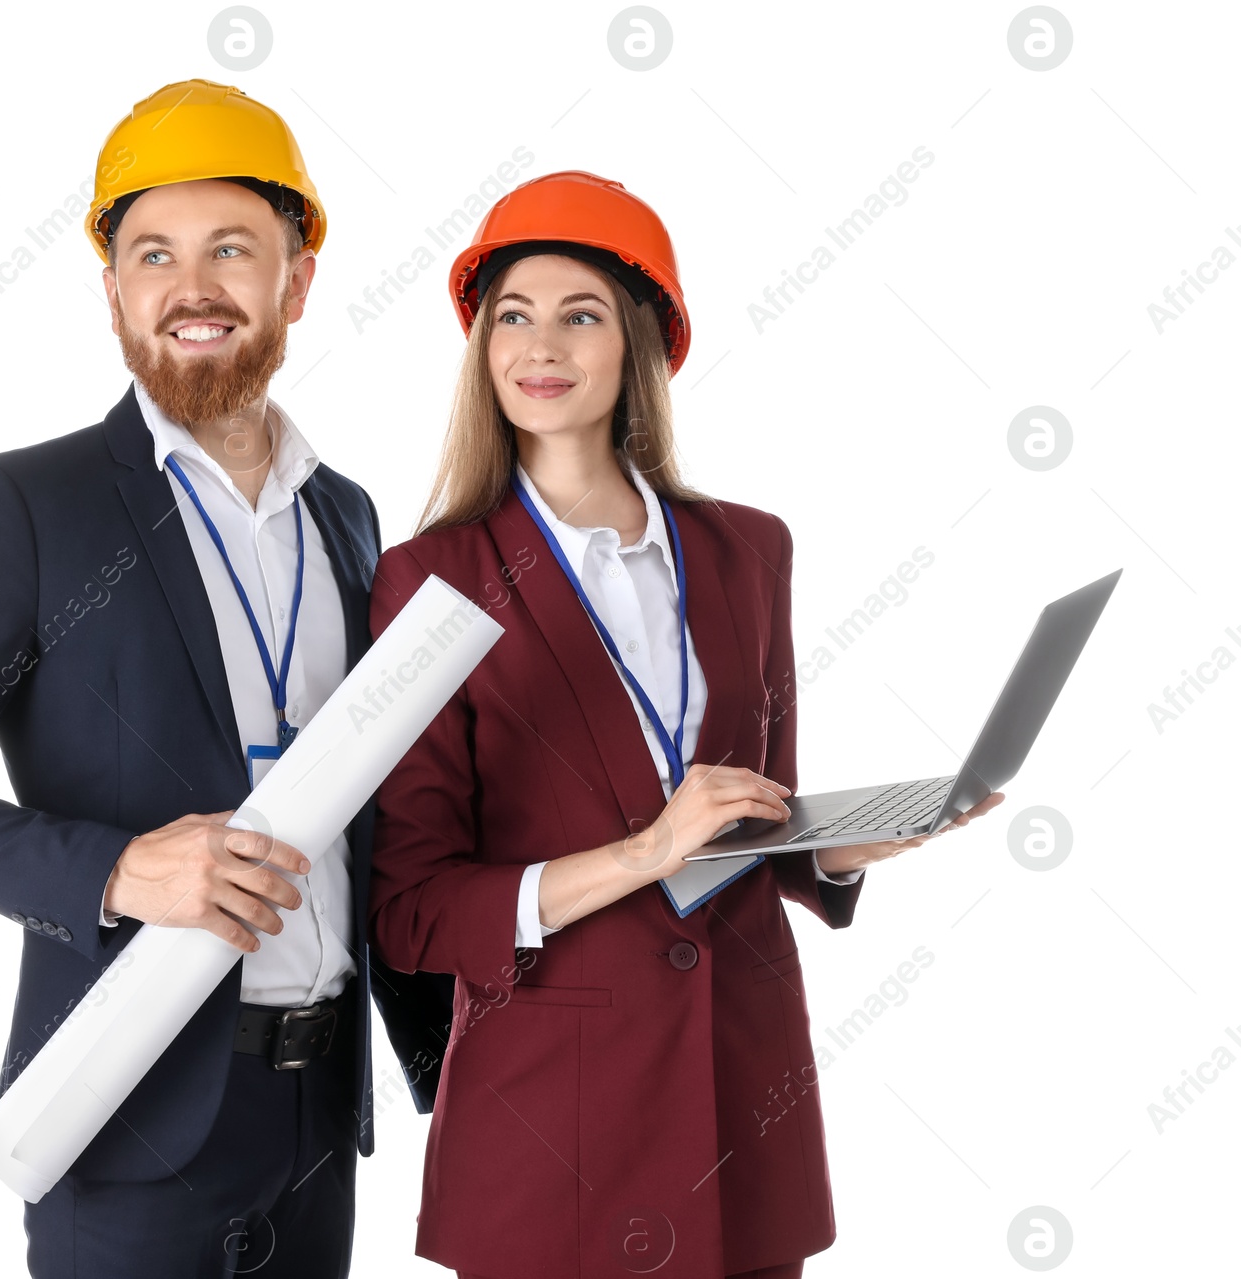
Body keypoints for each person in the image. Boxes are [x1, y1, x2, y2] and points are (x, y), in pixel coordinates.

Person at [0, 79, 444, 1279]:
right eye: (152, 253)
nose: (192, 285)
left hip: (320, 1118)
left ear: (296, 282)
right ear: (113, 291)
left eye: (231, 248)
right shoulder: (30, 507)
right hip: (128, 1117)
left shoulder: (349, 516)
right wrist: (114, 870)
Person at [366, 170, 1004, 1279]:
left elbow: (760, 807)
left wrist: (833, 849)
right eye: (510, 314)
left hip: (740, 1102)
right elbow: (415, 908)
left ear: (642, 344)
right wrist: (646, 850)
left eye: (581, 314)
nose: (539, 343)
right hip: (550, 1131)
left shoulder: (747, 550)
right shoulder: (432, 578)